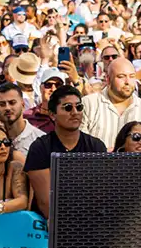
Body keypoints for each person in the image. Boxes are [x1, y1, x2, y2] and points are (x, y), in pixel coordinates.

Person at [25, 87, 107, 225]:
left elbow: (99, 195)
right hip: (49, 225)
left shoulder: (96, 147)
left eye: (79, 107)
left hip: (89, 222)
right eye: (68, 108)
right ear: (52, 115)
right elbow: (46, 203)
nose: (75, 112)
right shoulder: (40, 148)